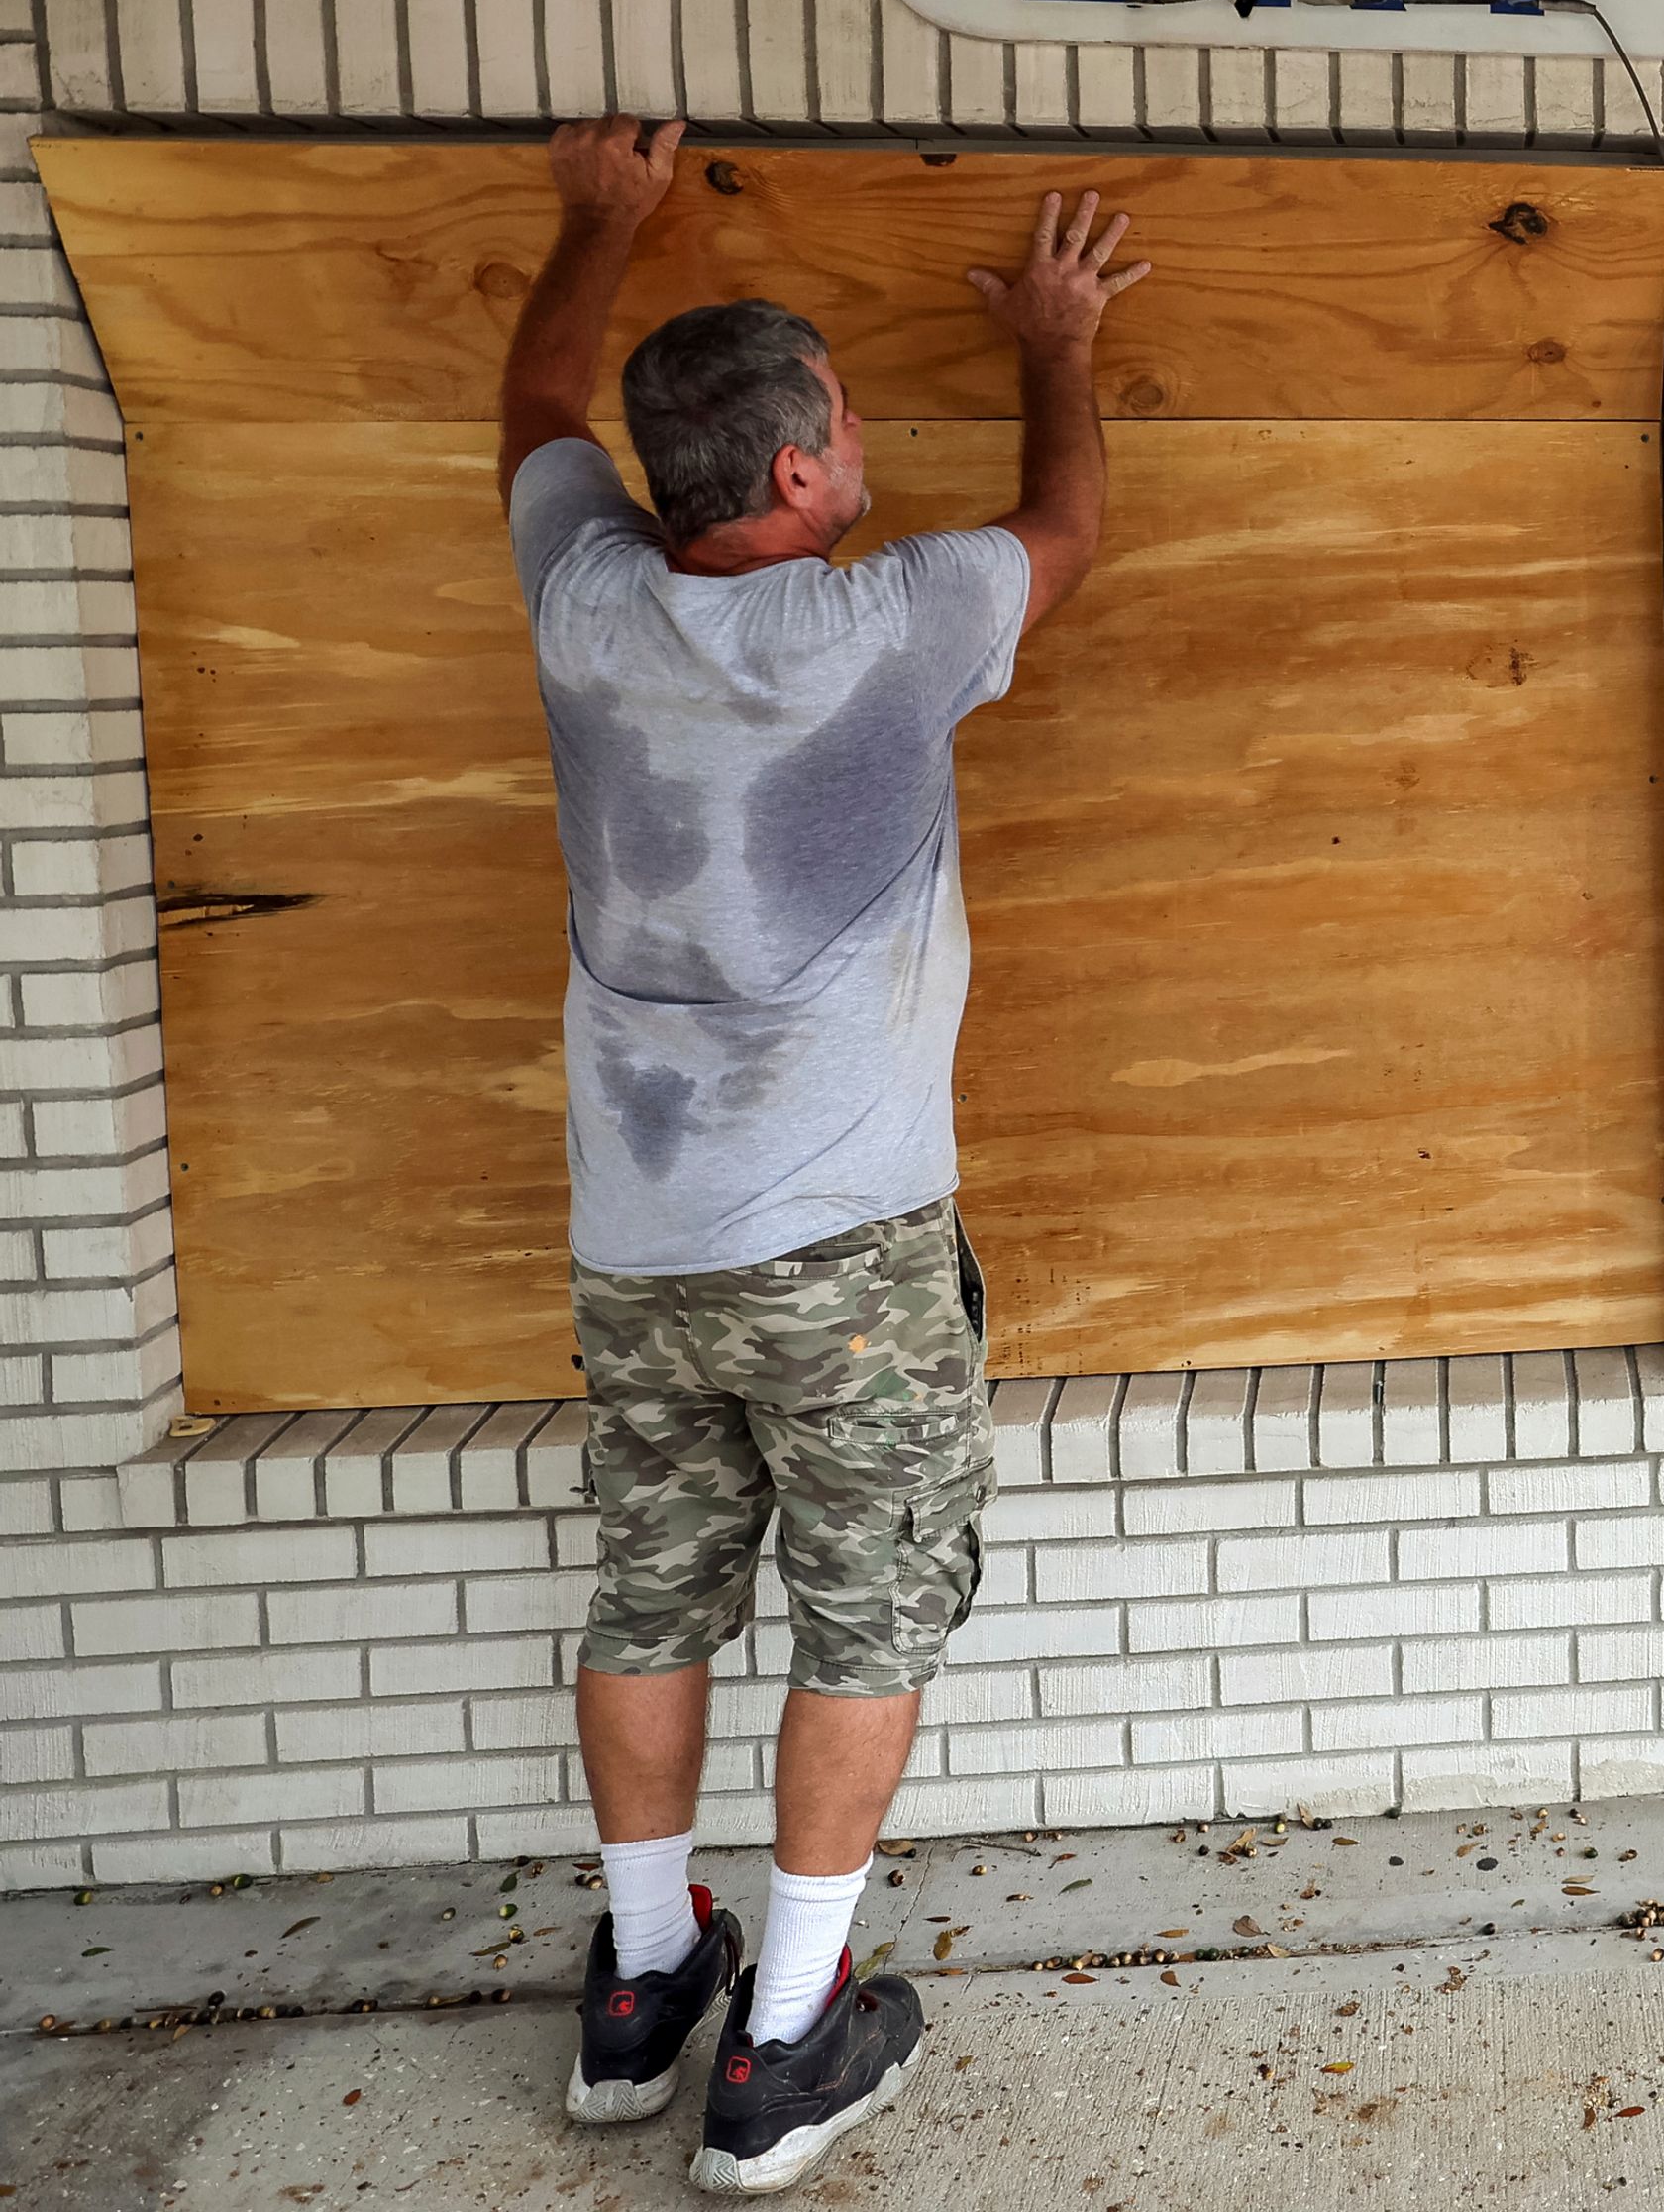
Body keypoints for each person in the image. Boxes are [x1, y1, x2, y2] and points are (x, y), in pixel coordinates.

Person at [494, 117, 1148, 2193]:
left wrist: (595, 226)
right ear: (797, 470)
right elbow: (1069, 518)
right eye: (846, 424)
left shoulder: (582, 596)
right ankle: (783, 2036)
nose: (862, 448)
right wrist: (1056, 333)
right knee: (865, 1610)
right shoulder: (888, 618)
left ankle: (638, 1981)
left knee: (652, 1587)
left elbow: (530, 403)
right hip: (848, 1250)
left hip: (640, 1235)